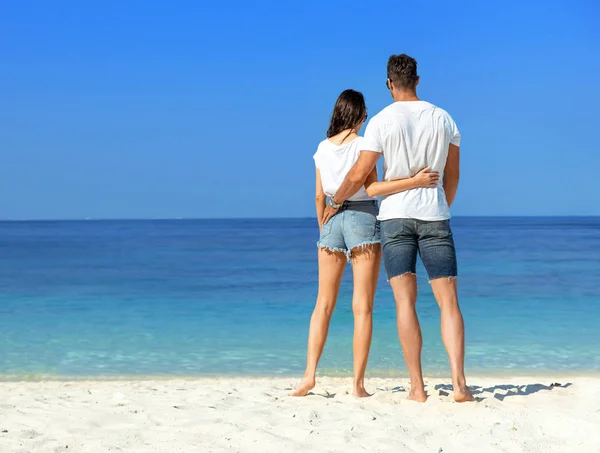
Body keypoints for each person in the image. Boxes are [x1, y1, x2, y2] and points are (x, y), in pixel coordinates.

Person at [321, 55, 475, 403]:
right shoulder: (444, 118)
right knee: (448, 302)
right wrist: (441, 204)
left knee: (406, 303)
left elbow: (360, 174)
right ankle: (460, 385)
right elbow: (454, 175)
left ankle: (417, 388)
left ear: (389, 83)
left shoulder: (380, 121)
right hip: (435, 215)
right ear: (417, 80)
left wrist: (335, 202)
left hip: (394, 218)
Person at [291, 89, 440, 398]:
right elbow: (371, 187)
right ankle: (358, 385)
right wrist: (414, 181)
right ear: (359, 115)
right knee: (363, 307)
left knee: (323, 304)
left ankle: (308, 376)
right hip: (362, 220)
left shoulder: (321, 148)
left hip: (330, 221)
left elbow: (319, 196)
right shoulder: (363, 144)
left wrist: (324, 226)